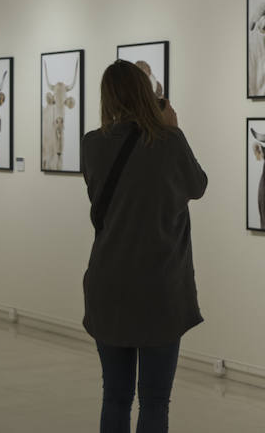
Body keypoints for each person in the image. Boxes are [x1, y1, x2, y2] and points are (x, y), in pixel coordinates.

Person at [81, 60, 207, 433]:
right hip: (159, 287)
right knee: (154, 400)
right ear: (148, 95)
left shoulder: (91, 144)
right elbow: (197, 185)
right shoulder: (169, 141)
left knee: (114, 397)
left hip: (108, 284)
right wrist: (171, 128)